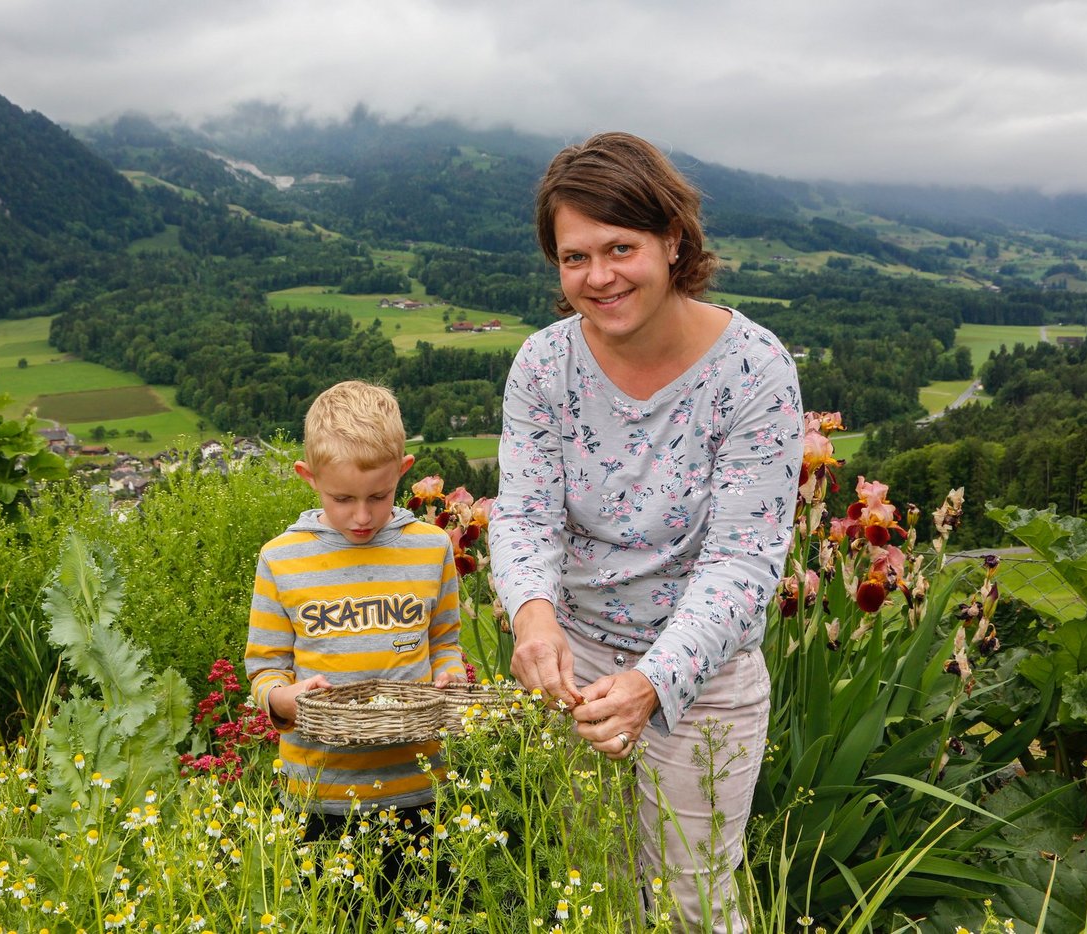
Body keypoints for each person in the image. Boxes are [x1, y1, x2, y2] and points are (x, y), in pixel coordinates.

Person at [488, 132, 803, 933]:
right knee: (590, 892)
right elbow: (524, 515)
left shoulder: (755, 370)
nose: (598, 277)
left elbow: (743, 560)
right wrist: (532, 616)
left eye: (619, 247)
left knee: (691, 909)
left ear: (672, 241)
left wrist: (653, 683)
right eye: (573, 257)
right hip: (576, 670)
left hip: (703, 681)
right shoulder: (541, 366)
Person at [244, 379, 467, 834]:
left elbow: (445, 642)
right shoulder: (281, 558)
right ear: (309, 477)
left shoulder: (431, 548)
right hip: (319, 796)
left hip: (422, 788)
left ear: (402, 471)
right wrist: (286, 701)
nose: (362, 516)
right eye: (342, 499)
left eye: (378, 497)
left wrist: (451, 676)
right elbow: (265, 671)